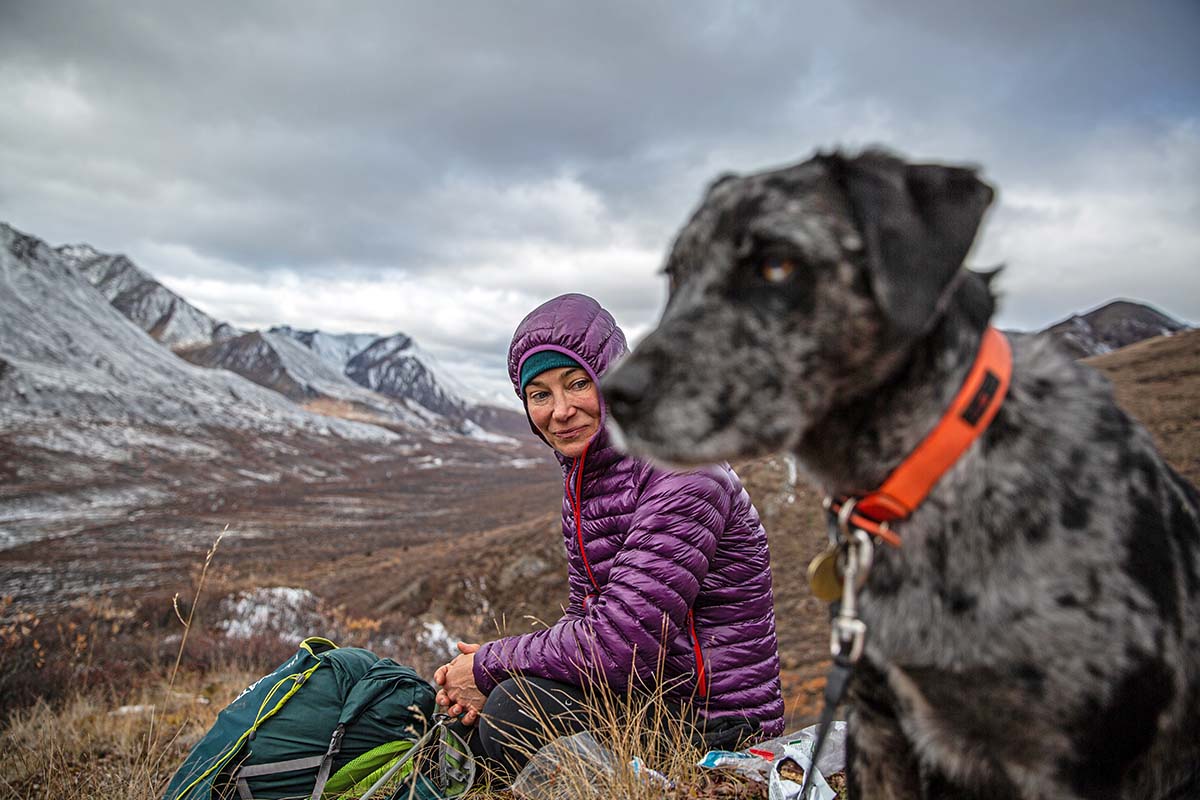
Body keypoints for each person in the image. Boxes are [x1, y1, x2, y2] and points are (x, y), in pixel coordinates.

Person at [434, 293, 784, 776]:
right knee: (489, 708)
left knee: (513, 712)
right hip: (648, 699)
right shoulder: (589, 478)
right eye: (539, 394)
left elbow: (624, 644)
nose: (560, 411)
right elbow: (587, 615)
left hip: (716, 724)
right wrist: (480, 676)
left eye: (578, 384)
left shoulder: (682, 475)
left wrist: (492, 664)